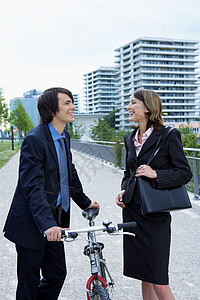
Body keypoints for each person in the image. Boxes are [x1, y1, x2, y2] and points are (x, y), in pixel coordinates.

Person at [3, 87, 99, 300]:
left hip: (53, 220)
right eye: (67, 103)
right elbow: (32, 186)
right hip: (32, 222)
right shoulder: (35, 139)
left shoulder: (63, 136)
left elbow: (68, 174)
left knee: (56, 274)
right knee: (29, 282)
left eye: (72, 102)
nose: (73, 106)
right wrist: (47, 224)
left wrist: (84, 202)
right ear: (52, 110)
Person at [116, 89, 192, 300]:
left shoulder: (168, 135)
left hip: (155, 216)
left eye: (133, 103)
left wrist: (156, 173)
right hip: (133, 214)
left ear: (147, 108)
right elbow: (129, 173)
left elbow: (185, 173)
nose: (128, 107)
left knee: (159, 282)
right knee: (145, 275)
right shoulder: (129, 137)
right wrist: (124, 190)